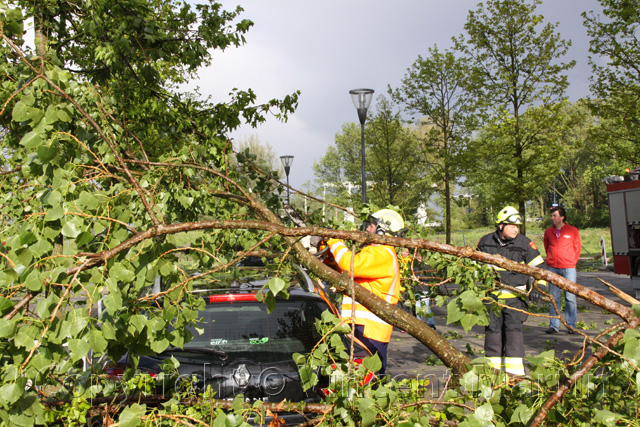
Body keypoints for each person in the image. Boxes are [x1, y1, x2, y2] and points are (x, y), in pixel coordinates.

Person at [326, 209, 405, 375]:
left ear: (382, 230)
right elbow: (347, 272)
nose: (368, 229)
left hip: (369, 332)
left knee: (367, 379)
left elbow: (350, 264)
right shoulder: (376, 254)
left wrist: (333, 239)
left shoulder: (382, 253)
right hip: (364, 328)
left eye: (372, 225)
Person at [477, 206, 546, 376]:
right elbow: (474, 268)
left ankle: (515, 378)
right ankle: (493, 375)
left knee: (514, 337)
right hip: (492, 300)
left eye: (518, 226)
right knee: (492, 335)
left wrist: (539, 287)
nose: (516, 229)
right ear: (501, 226)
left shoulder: (524, 244)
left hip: (515, 300)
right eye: (512, 226)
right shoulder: (485, 242)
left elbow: (540, 269)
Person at [543, 206, 581, 334]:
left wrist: (571, 261)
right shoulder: (548, 232)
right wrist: (551, 259)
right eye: (552, 216)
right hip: (553, 267)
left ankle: (571, 326)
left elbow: (577, 249)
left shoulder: (573, 231)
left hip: (569, 267)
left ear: (562, 217)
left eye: (555, 215)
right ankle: (554, 325)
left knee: (570, 297)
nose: (552, 218)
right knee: (554, 298)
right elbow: (547, 247)